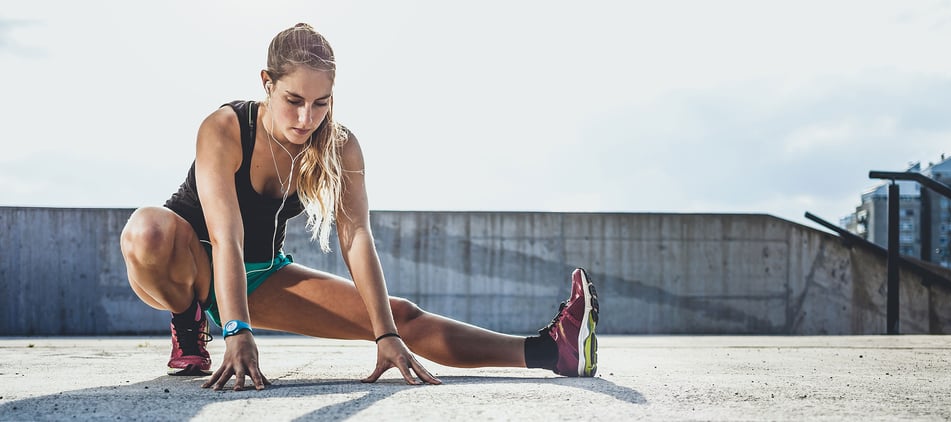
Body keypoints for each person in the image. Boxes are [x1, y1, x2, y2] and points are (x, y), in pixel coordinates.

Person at [119, 23, 599, 391]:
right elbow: (225, 236)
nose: (306, 118)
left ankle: (551, 351)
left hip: (259, 273)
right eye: (293, 101)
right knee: (148, 231)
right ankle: (188, 326)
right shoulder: (224, 128)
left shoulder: (339, 145)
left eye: (320, 103)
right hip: (190, 260)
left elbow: (356, 237)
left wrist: (385, 334)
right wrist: (235, 328)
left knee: (401, 318)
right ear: (266, 82)